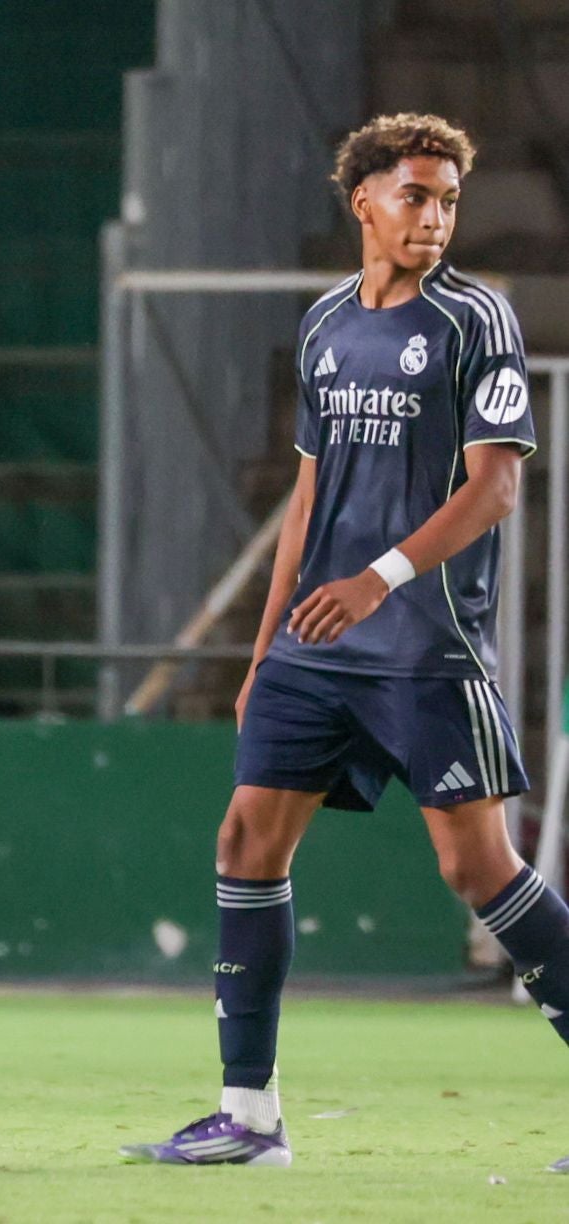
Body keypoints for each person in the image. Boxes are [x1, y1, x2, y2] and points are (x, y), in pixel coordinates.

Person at [121, 114, 568, 1169]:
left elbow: (496, 487)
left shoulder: (476, 321)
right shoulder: (325, 326)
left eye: (449, 200)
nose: (435, 216)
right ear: (362, 198)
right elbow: (308, 496)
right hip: (316, 647)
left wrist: (382, 579)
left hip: (426, 642)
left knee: (477, 868)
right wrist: (264, 645)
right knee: (245, 844)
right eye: (415, 195)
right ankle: (249, 1117)